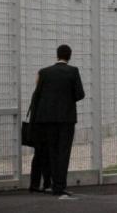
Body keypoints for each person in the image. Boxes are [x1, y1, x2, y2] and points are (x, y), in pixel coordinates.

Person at [28, 44, 85, 197]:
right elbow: (80, 94)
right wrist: (66, 98)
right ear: (69, 56)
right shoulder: (73, 71)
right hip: (66, 119)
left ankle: (52, 184)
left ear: (57, 55)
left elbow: (38, 95)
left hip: (47, 119)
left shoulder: (45, 72)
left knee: (52, 152)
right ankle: (60, 186)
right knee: (63, 152)